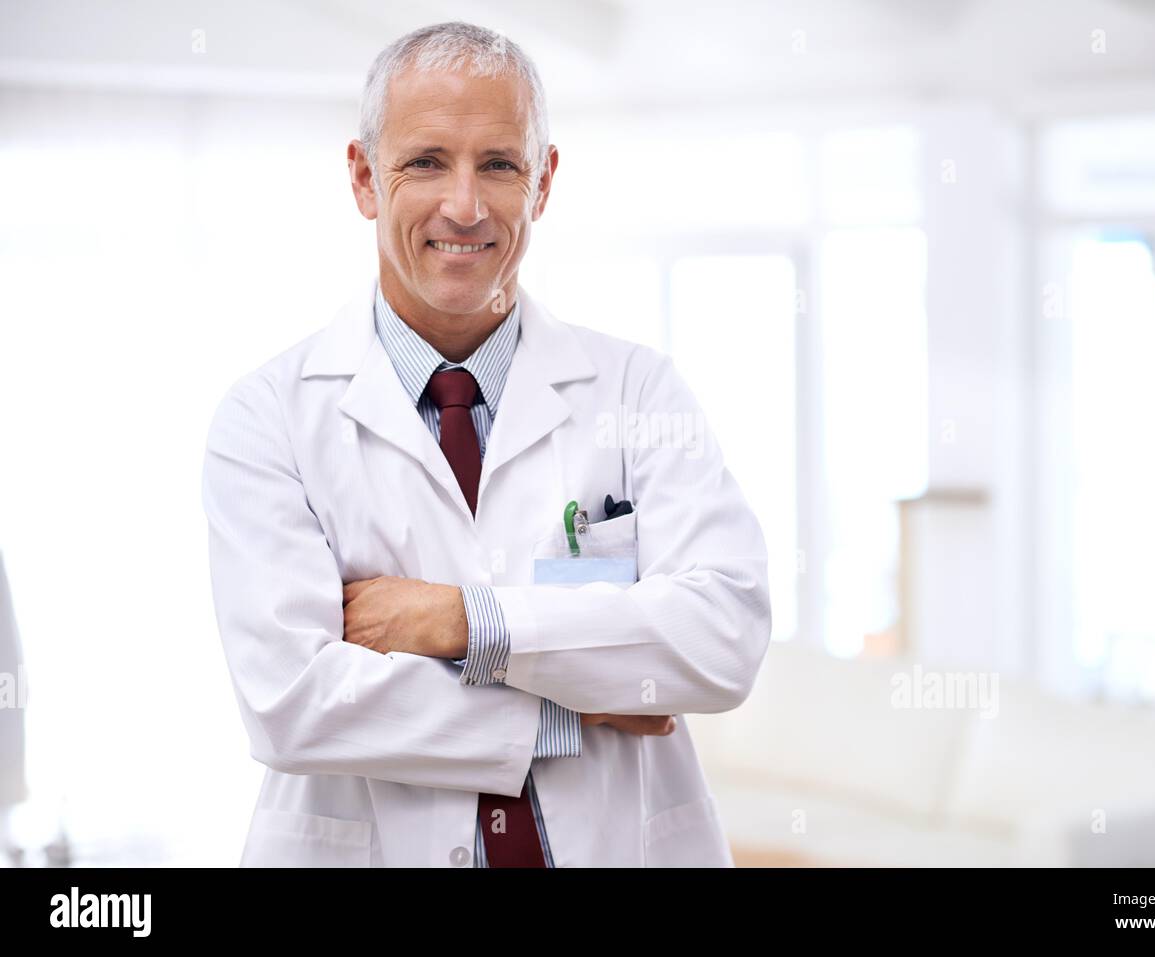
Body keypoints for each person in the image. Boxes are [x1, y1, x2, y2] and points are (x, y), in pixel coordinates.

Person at [201, 20, 771, 868]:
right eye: (426, 161)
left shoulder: (639, 392)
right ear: (364, 177)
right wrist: (572, 700)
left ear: (542, 183)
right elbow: (294, 701)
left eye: (498, 165)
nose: (463, 207)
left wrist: (460, 620)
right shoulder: (268, 418)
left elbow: (721, 638)